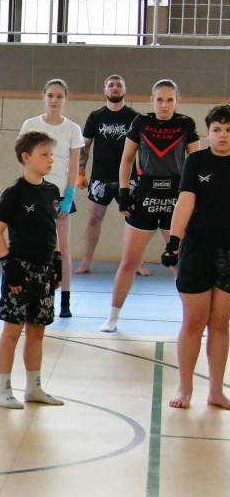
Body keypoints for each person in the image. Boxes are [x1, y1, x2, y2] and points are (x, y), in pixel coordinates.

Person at [101, 79, 200, 332]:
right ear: (151, 100)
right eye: (159, 99)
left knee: (179, 261)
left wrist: (195, 200)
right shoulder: (141, 122)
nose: (164, 104)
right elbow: (126, 159)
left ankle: (191, 320)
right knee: (129, 262)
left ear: (177, 101)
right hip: (144, 195)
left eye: (169, 99)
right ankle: (112, 317)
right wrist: (124, 193)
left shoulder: (185, 124)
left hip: (176, 197)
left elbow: (196, 164)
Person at [0, 131, 65, 409]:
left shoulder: (51, 192)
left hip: (43, 271)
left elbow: (50, 227)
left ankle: (34, 387)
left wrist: (56, 260)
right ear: (26, 157)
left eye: (51, 154)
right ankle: (4, 389)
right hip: (19, 271)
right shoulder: (14, 193)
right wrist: (9, 267)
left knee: (38, 330)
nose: (50, 160)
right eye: (44, 155)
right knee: (12, 330)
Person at [164, 104, 230, 410]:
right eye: (217, 130)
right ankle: (185, 388)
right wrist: (173, 242)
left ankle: (216, 390)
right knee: (194, 320)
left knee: (220, 323)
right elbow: (185, 202)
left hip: (228, 252)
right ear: (207, 132)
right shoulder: (196, 161)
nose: (223, 136)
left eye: (228, 131)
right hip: (198, 249)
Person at [18, 79, 82, 318]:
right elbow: (23, 159)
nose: (54, 100)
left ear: (65, 99)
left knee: (62, 247)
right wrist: (23, 190)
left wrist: (69, 195)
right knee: (33, 245)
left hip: (59, 195)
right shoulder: (31, 125)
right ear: (43, 97)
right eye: (51, 95)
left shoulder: (72, 129)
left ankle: (64, 300)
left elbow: (74, 165)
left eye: (59, 96)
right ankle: (31, 294)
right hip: (34, 193)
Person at [75, 75, 148, 275]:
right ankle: (86, 261)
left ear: (125, 89)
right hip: (101, 177)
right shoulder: (96, 116)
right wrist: (81, 172)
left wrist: (143, 175)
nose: (114, 88)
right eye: (111, 85)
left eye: (118, 85)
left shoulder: (135, 117)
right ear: (105, 90)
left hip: (129, 178)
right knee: (94, 218)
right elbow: (85, 146)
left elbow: (143, 148)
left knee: (135, 220)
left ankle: (137, 263)